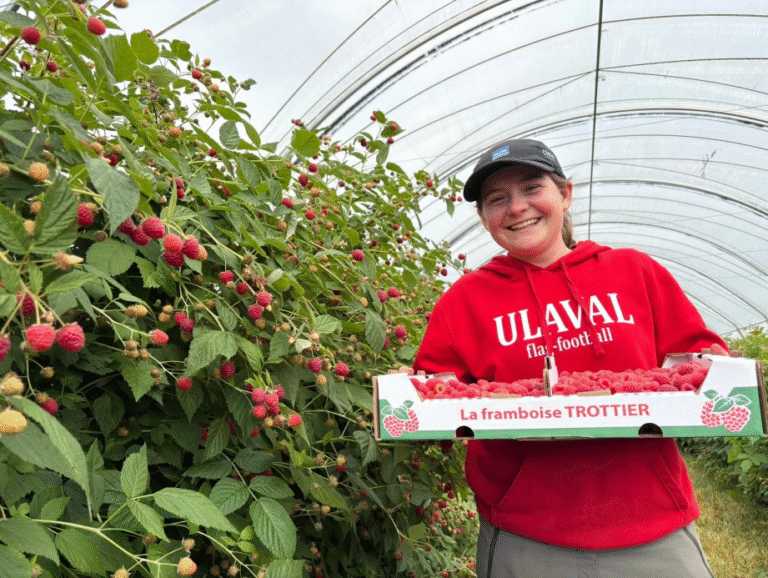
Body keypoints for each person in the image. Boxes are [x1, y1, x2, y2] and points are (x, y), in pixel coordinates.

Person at [412, 138, 729, 578]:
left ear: (565, 193)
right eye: (497, 199)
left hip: (653, 524)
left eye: (531, 188)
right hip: (526, 534)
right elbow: (436, 387)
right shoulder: (463, 301)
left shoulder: (634, 272)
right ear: (485, 219)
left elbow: (698, 359)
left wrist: (714, 370)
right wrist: (422, 393)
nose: (517, 207)